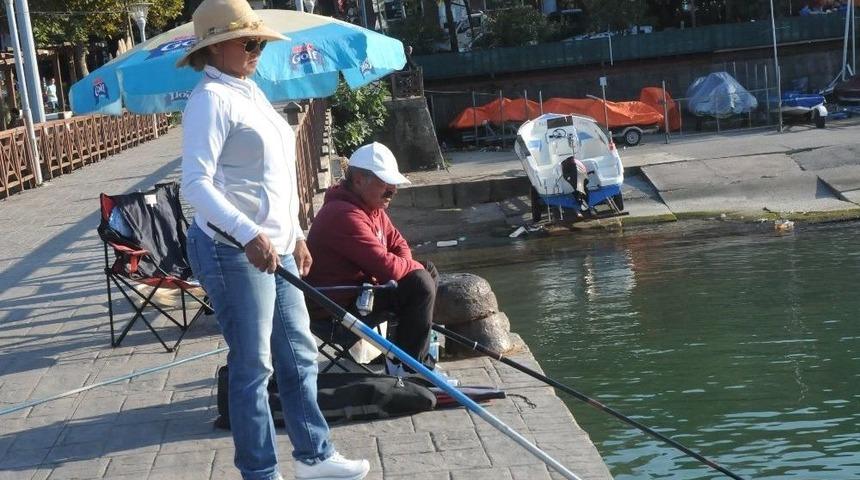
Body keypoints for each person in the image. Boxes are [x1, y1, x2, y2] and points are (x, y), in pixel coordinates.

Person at [177, 1, 370, 479]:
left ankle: (315, 456)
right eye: (249, 42)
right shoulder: (210, 101)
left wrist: (297, 234)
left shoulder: (250, 92)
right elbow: (195, 185)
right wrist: (248, 234)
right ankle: (260, 472)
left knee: (300, 352)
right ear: (215, 46)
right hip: (231, 250)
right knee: (254, 365)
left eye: (260, 41)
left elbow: (275, 176)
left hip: (276, 247)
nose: (258, 49)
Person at [305, 142, 438, 376]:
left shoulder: (371, 208)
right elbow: (388, 268)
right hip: (336, 312)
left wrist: (411, 267)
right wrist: (411, 269)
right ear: (358, 180)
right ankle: (407, 368)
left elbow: (398, 244)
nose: (393, 190)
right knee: (420, 282)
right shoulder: (343, 215)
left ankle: (405, 355)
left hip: (361, 295)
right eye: (385, 183)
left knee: (427, 271)